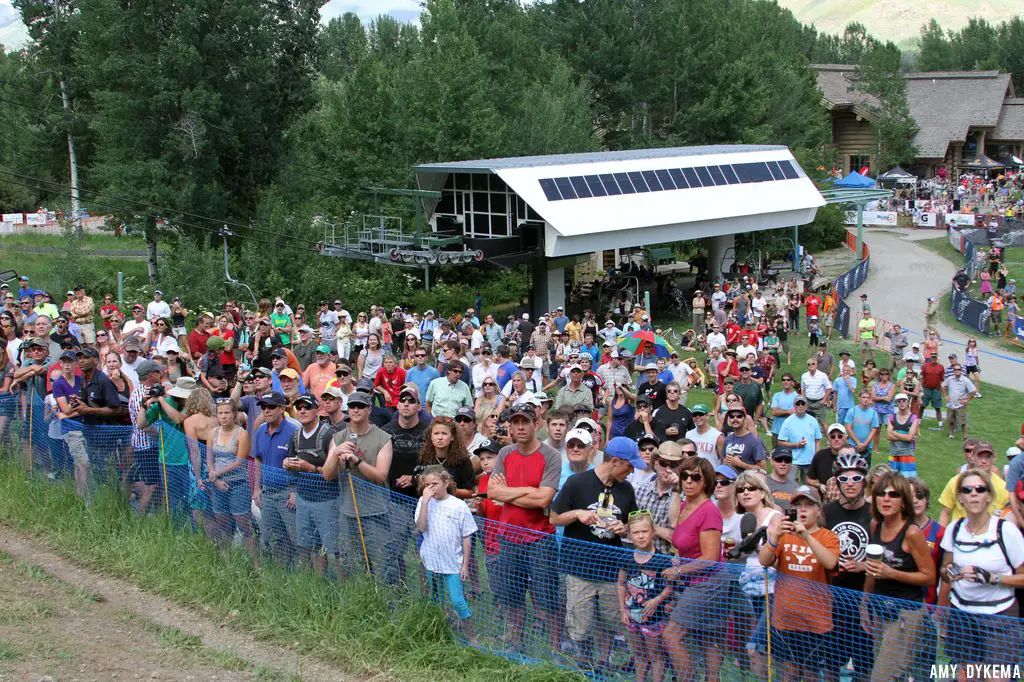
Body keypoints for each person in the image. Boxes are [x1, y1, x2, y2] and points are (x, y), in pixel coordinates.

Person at [550, 436, 643, 668]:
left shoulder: (626, 489)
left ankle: (603, 663)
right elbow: (553, 518)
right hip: (579, 568)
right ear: (614, 461)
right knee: (580, 623)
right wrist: (577, 514)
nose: (631, 472)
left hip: (611, 570)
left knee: (610, 621)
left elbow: (633, 522)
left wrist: (625, 528)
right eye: (629, 465)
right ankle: (583, 663)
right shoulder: (576, 483)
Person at [487, 403, 561, 651]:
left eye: (525, 421)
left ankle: (556, 646)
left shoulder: (551, 456)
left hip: (540, 538)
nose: (520, 426)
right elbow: (492, 491)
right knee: (511, 594)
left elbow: (544, 499)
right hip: (508, 536)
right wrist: (529, 490)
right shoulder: (505, 453)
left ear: (536, 424)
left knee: (547, 596)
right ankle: (514, 639)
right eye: (515, 421)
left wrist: (508, 494)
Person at [938, 468, 1024, 678]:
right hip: (962, 615)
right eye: (967, 490)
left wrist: (993, 578)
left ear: (989, 497)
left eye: (980, 489)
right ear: (960, 498)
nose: (973, 494)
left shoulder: (1006, 531)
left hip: (999, 618)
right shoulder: (954, 529)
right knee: (965, 676)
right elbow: (945, 569)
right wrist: (951, 573)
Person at [860, 471, 936, 682]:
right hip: (880, 610)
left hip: (906, 614)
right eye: (881, 493)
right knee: (886, 670)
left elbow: (929, 577)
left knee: (883, 677)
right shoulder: (876, 525)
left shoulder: (911, 533)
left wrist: (892, 573)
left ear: (903, 502)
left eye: (893, 494)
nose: (886, 498)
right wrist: (865, 605)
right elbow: (871, 570)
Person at [758, 485, 840, 682]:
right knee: (788, 673)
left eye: (808, 505)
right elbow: (764, 560)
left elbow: (830, 563)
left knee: (811, 675)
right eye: (798, 505)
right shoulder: (784, 535)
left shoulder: (828, 537)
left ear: (818, 510)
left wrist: (806, 536)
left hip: (815, 622)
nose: (802, 510)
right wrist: (775, 537)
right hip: (785, 619)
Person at [661, 457, 731, 682]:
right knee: (707, 637)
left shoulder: (708, 510)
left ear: (706, 482)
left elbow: (710, 558)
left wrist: (680, 571)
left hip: (709, 581)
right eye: (684, 476)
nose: (689, 481)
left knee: (672, 635)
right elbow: (683, 540)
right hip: (695, 578)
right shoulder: (684, 505)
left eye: (695, 477)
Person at [322, 391, 393, 576]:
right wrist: (336, 453)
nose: (355, 409)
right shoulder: (338, 438)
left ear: (369, 409)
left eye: (360, 406)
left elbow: (380, 476)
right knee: (352, 566)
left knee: (381, 565)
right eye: (352, 406)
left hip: (376, 512)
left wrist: (357, 461)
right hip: (348, 512)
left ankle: (383, 603)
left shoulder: (383, 438)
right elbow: (327, 475)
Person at [822, 452, 874, 681]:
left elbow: (886, 551)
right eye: (844, 479)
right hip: (833, 597)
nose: (850, 484)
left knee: (866, 662)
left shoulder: (875, 513)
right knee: (832, 661)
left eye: (856, 478)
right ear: (837, 482)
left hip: (865, 598)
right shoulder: (827, 512)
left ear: (864, 481)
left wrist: (864, 565)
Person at [415, 466, 478, 644]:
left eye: (434, 484)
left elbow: (467, 537)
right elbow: (421, 527)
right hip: (432, 561)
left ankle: (471, 636)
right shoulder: (423, 502)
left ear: (446, 483)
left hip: (453, 563)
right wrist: (425, 503)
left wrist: (465, 565)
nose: (431, 488)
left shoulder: (458, 505)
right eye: (427, 485)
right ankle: (441, 632)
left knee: (457, 600)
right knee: (436, 599)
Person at [282, 394, 340, 578]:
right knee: (311, 546)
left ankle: (342, 588)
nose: (303, 411)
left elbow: (337, 471)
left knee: (334, 549)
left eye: (307, 407)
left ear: (317, 410)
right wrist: (287, 464)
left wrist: (311, 468)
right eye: (299, 408)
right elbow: (291, 466)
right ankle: (317, 582)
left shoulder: (328, 434)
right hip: (303, 498)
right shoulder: (295, 435)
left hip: (327, 499)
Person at [617, 513, 673, 682]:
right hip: (631, 615)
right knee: (639, 654)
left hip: (653, 617)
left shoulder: (662, 560)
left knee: (655, 655)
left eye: (644, 531)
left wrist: (656, 600)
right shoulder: (626, 557)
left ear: (653, 532)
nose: (641, 536)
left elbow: (670, 587)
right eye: (636, 532)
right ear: (629, 535)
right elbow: (620, 584)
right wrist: (623, 610)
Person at [251, 391, 300, 564]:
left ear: (282, 408)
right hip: (268, 493)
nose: (267, 411)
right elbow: (257, 459)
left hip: (288, 495)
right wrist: (257, 488)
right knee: (275, 538)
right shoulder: (260, 431)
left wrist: (296, 491)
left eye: (271, 407)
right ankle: (282, 575)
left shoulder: (294, 431)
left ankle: (304, 578)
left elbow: (302, 464)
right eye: (264, 407)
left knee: (297, 539)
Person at [205, 398, 255, 554]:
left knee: (244, 525)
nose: (224, 416)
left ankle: (255, 564)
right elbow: (209, 459)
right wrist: (215, 479)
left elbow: (239, 462)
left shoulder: (242, 434)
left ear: (234, 414)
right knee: (223, 524)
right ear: (216, 416)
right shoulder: (212, 433)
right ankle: (226, 560)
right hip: (217, 484)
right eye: (220, 413)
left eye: (227, 412)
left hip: (238, 483)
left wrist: (216, 474)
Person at [777, 396, 821, 482]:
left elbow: (818, 440)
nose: (800, 406)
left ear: (806, 406)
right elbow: (781, 442)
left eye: (802, 403)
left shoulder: (813, 420)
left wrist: (817, 457)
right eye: (798, 404)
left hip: (810, 461)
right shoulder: (788, 422)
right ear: (794, 406)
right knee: (789, 486)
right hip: (793, 461)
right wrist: (797, 445)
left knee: (808, 489)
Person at [722, 406, 767, 472]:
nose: (735, 419)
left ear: (745, 419)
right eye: (732, 416)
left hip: (746, 481)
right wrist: (725, 463)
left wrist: (741, 464)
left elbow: (763, 469)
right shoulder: (727, 439)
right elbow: (724, 459)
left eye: (739, 416)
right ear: (729, 419)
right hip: (729, 480)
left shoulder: (754, 441)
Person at [886, 392, 920, 478]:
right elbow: (889, 436)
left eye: (904, 401)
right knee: (892, 479)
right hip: (893, 454)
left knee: (908, 480)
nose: (901, 403)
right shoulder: (892, 416)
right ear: (896, 403)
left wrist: (894, 433)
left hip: (907, 454)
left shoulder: (913, 418)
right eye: (899, 401)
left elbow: (909, 438)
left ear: (908, 402)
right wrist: (904, 436)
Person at [942, 363, 976, 440]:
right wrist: (946, 396)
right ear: (953, 371)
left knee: (963, 422)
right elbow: (943, 386)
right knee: (951, 420)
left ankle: (965, 436)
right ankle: (951, 434)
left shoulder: (965, 380)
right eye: (955, 369)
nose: (957, 371)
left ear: (961, 371)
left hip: (961, 405)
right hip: (951, 404)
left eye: (958, 369)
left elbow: (973, 391)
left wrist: (967, 400)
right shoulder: (950, 379)